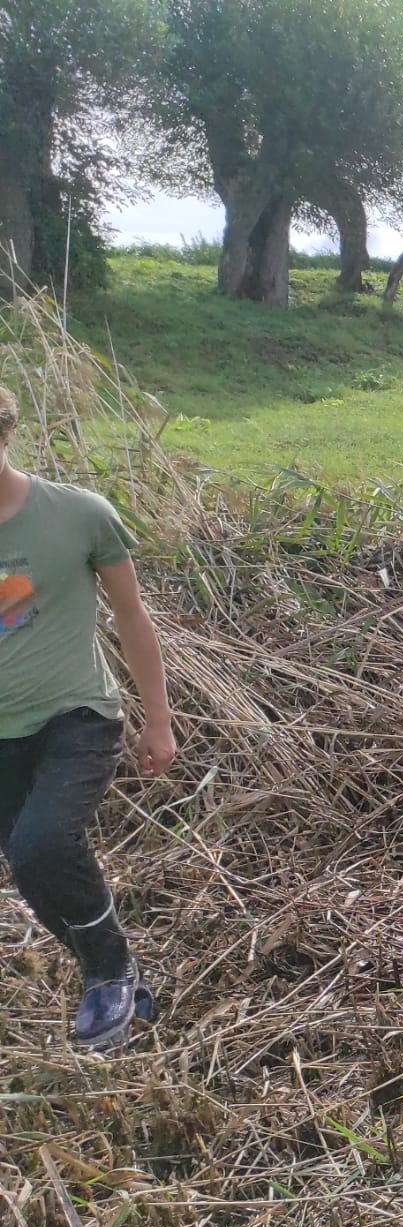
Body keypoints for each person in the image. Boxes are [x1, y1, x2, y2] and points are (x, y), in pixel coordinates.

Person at [0, 383, 177, 1051]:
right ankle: (115, 975)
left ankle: (108, 972)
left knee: (41, 844)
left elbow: (132, 616)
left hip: (77, 714)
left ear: (4, 434)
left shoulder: (78, 515)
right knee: (30, 866)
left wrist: (157, 720)